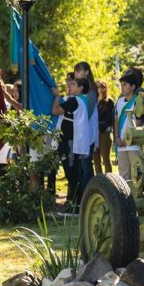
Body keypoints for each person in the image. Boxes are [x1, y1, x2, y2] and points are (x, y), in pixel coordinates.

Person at [52, 77, 91, 210]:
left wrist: (57, 97)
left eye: (74, 84)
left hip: (71, 143)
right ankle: (74, 202)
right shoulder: (85, 99)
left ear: (81, 88)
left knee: (72, 174)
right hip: (76, 142)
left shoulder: (75, 100)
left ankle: (76, 204)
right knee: (75, 174)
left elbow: (55, 110)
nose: (70, 86)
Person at [74, 62, 98, 192]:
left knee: (86, 166)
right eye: (75, 71)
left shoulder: (92, 90)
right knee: (82, 166)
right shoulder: (79, 90)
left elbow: (87, 112)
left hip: (87, 132)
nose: (76, 73)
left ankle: (89, 193)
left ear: (87, 72)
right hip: (81, 133)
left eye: (79, 71)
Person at [115, 73, 144, 180]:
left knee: (136, 173)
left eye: (125, 85)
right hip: (121, 144)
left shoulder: (138, 101)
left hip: (134, 143)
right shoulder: (119, 101)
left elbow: (139, 122)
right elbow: (116, 120)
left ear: (133, 87)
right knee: (123, 175)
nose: (122, 87)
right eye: (121, 85)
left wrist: (126, 139)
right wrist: (117, 137)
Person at [94, 79, 114, 174]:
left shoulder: (109, 101)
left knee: (105, 158)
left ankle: (109, 180)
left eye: (98, 87)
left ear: (103, 88)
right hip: (94, 134)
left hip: (104, 133)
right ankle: (99, 182)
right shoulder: (93, 102)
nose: (96, 89)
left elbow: (110, 119)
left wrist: (100, 129)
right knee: (96, 161)